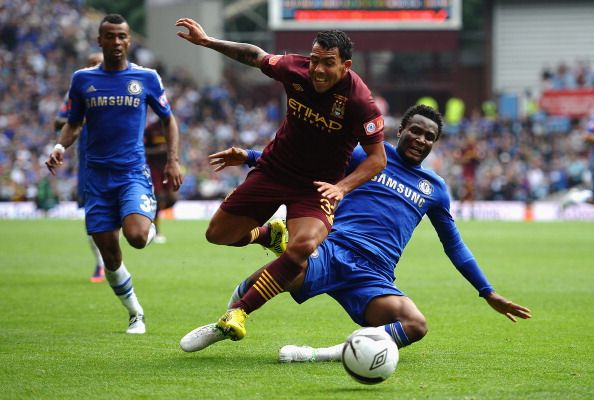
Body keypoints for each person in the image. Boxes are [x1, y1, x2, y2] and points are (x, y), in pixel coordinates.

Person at [179, 104, 531, 357]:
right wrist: (252, 156)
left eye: (429, 137)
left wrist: (487, 292)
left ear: (434, 143)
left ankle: (323, 354)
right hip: (332, 251)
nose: (421, 139)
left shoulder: (434, 188)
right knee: (284, 267)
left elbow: (455, 246)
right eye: (416, 131)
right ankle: (220, 325)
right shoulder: (368, 158)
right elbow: (303, 165)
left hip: (374, 275)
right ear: (401, 131)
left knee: (415, 324)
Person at [175, 18, 387, 341]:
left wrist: (341, 187)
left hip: (317, 187)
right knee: (217, 234)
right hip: (274, 170)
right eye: (314, 59)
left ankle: (239, 311)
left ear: (346, 66)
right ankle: (268, 235)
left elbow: (377, 159)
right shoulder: (294, 69)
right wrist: (208, 42)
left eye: (327, 63)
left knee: (301, 247)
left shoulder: (359, 101)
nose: (317, 69)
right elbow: (255, 55)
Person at [45, 14, 183, 334]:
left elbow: (169, 120)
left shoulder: (146, 78)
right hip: (96, 178)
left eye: (122, 36)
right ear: (100, 40)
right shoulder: (82, 80)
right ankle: (135, 312)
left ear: (129, 40)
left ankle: (145, 225)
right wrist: (59, 147)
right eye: (110, 36)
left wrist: (174, 161)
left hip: (132, 172)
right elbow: (74, 122)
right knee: (109, 254)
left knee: (135, 237)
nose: (117, 42)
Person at [55, 52, 106, 283]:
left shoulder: (118, 87)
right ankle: (100, 263)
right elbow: (60, 120)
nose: (96, 67)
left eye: (99, 63)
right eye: (92, 64)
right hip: (88, 162)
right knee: (92, 214)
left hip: (119, 162)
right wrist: (83, 117)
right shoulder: (80, 91)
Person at [144, 118, 179, 244]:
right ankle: (156, 231)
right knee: (159, 198)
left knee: (173, 198)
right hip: (154, 168)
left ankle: (149, 214)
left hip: (168, 166)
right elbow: (142, 149)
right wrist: (157, 151)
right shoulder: (150, 129)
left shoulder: (171, 126)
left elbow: (175, 145)